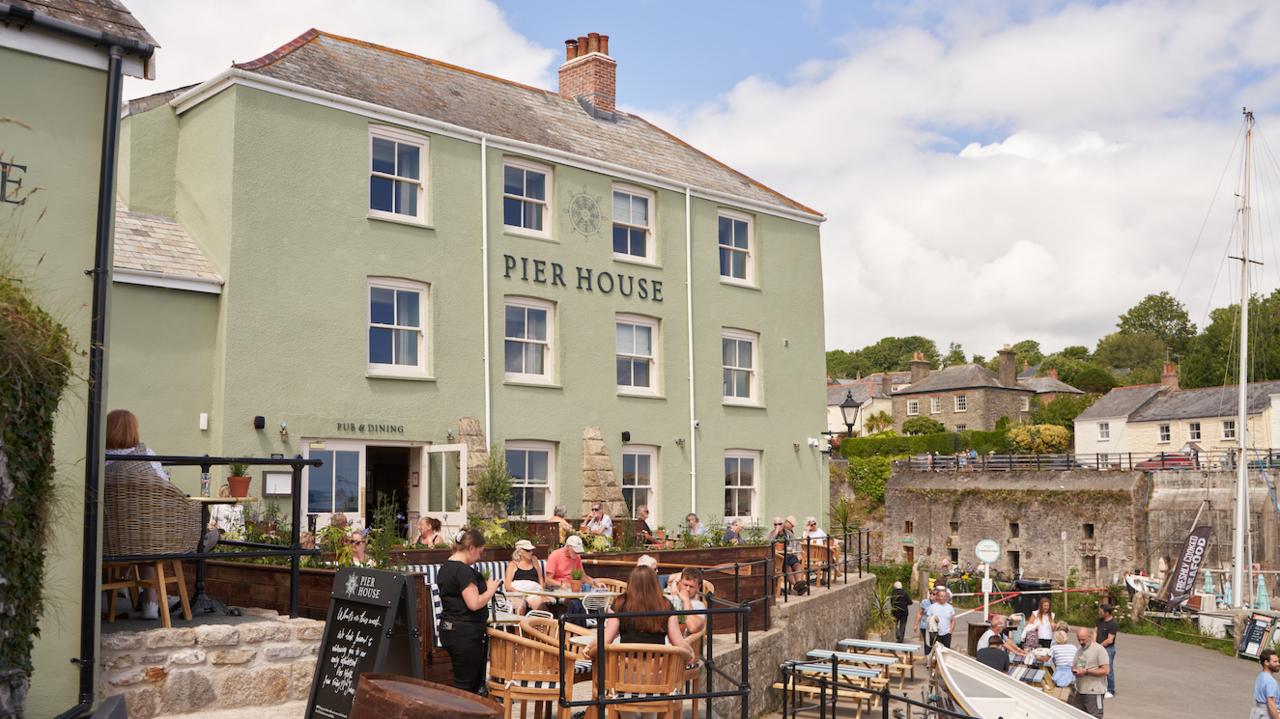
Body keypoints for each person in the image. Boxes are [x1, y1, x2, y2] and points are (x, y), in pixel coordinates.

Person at [105, 409, 168, 620]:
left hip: (110, 535)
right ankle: (151, 603)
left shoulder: (100, 458)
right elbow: (165, 487)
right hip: (144, 532)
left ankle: (122, 578)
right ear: (134, 430)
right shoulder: (146, 455)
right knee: (143, 538)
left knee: (127, 531)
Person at [581, 566, 694, 664]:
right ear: (655, 583)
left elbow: (606, 638)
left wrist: (590, 646)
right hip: (657, 670)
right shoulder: (665, 604)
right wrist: (691, 652)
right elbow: (678, 642)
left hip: (626, 668)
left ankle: (610, 689)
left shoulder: (620, 603)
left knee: (606, 659)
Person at [437, 528, 501, 694]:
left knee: (467, 684)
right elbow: (474, 603)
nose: (479, 558)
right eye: (479, 552)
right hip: (464, 633)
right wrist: (490, 590)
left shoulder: (446, 567)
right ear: (471, 547)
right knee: (466, 689)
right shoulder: (463, 571)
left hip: (450, 629)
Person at [546, 536, 593, 624]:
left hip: (573, 589)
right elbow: (548, 580)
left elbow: (583, 576)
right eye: (575, 550)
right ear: (568, 547)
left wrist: (595, 582)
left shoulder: (576, 557)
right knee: (576, 602)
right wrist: (563, 584)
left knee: (593, 600)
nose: (577, 553)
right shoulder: (555, 555)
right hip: (559, 590)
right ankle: (581, 625)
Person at [1069, 627, 1109, 717]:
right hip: (1081, 690)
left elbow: (1106, 671)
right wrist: (1074, 669)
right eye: (1079, 640)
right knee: (1075, 715)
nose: (1081, 642)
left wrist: (1087, 671)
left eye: (1083, 639)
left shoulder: (1099, 649)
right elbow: (1075, 664)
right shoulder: (1080, 648)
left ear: (1089, 637)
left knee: (1094, 716)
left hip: (1094, 691)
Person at [505, 539, 549, 615]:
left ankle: (536, 627)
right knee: (520, 609)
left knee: (544, 612)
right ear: (519, 552)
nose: (531, 552)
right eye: (528, 550)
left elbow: (540, 578)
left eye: (531, 550)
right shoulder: (512, 564)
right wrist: (518, 592)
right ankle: (519, 627)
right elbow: (507, 585)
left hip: (533, 591)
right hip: (518, 591)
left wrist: (542, 593)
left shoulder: (534, 559)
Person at [769, 516, 804, 593]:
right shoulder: (772, 534)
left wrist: (799, 553)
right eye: (775, 524)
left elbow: (797, 543)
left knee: (797, 565)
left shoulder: (788, 533)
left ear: (783, 524)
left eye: (779, 524)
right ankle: (797, 586)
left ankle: (799, 583)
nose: (777, 526)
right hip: (780, 557)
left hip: (790, 555)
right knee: (788, 568)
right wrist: (775, 534)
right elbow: (769, 543)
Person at [668, 567, 706, 635]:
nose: (688, 589)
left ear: (698, 587)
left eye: (692, 586)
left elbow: (693, 627)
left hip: (681, 643)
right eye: (685, 585)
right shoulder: (667, 599)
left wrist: (686, 600)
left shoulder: (699, 605)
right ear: (680, 582)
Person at [1096, 602, 1118, 698]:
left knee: (1108, 670)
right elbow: (1096, 631)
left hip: (1108, 649)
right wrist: (1093, 642)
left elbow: (1110, 639)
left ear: (1107, 613)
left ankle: (1111, 690)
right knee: (1097, 668)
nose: (1099, 613)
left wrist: (1099, 646)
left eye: (1101, 612)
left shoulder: (1113, 624)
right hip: (1098, 647)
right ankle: (1100, 687)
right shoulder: (1099, 620)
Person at [1253, 648, 1280, 719]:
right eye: (1275, 662)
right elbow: (1271, 704)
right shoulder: (1271, 681)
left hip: (1257, 712)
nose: (1278, 664)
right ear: (1266, 663)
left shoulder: (1260, 676)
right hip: (1266, 714)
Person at [915, 587, 935, 653]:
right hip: (925, 626)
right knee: (927, 644)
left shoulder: (939, 604)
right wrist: (915, 624)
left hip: (935, 628)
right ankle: (928, 662)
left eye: (934, 594)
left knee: (934, 644)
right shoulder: (925, 602)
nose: (931, 595)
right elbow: (919, 613)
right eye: (930, 593)